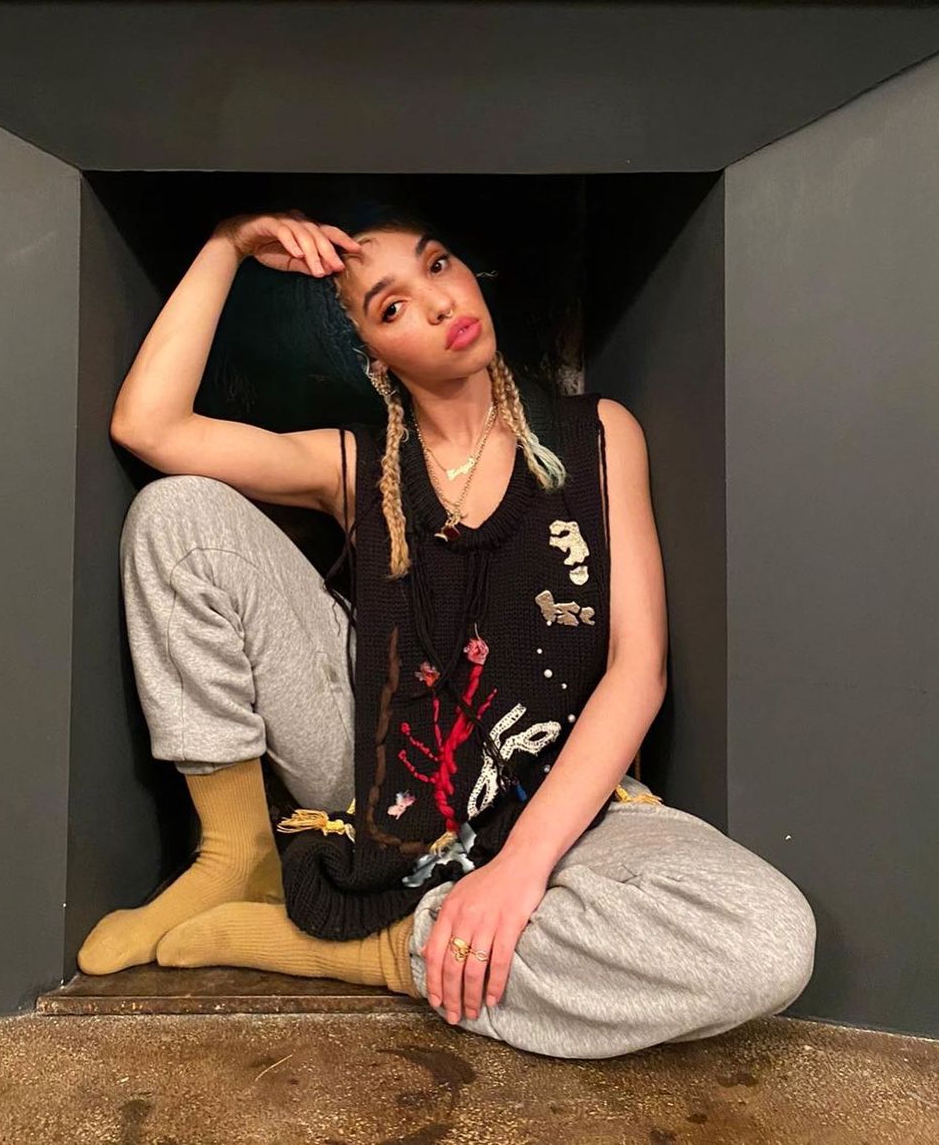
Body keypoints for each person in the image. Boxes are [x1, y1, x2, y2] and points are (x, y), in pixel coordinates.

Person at [77, 206, 816, 1059]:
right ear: (372, 353)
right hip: (382, 772)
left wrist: (522, 866)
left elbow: (638, 665)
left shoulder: (599, 434)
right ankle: (236, 853)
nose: (436, 302)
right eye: (390, 306)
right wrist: (227, 243)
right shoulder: (357, 462)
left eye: (437, 265)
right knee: (176, 514)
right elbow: (149, 426)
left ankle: (390, 946)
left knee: (768, 939)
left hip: (563, 796)